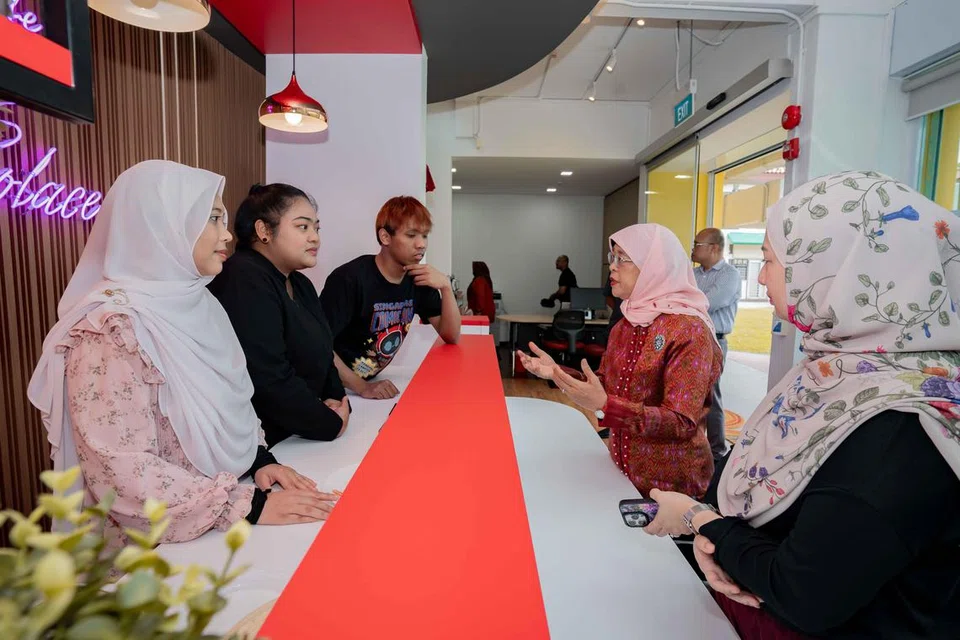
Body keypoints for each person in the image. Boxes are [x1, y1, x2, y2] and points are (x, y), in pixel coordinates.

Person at [644, 171, 960, 639]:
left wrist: (698, 520)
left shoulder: (902, 425)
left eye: (771, 261)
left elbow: (804, 591)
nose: (764, 277)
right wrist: (717, 547)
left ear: (838, 272)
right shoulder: (838, 371)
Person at [27, 161, 338, 551]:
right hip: (154, 554)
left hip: (219, 530)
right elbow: (119, 468)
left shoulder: (201, 304)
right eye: (212, 218)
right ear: (160, 226)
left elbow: (233, 401)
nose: (226, 234)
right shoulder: (110, 329)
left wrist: (258, 461)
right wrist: (244, 506)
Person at [520, 224, 722, 497]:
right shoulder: (626, 324)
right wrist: (557, 372)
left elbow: (681, 422)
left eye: (622, 259)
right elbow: (604, 384)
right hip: (622, 474)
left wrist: (606, 405)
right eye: (611, 257)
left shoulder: (688, 329)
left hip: (672, 490)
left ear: (654, 267)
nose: (612, 267)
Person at [209, 184, 349, 448]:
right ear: (264, 231)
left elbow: (324, 351)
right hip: (259, 443)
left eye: (317, 228)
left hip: (301, 431)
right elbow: (267, 378)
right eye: (303, 227)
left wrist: (335, 398)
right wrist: (330, 423)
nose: (315, 238)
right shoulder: (243, 277)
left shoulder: (301, 283)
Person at [321, 196, 461, 400]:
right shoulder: (350, 279)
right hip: (329, 386)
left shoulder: (418, 280)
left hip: (364, 388)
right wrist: (362, 387)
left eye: (424, 235)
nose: (421, 244)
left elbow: (451, 335)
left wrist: (446, 288)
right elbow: (318, 344)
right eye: (411, 235)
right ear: (385, 237)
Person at [692, 227, 742, 464]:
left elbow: (710, 302)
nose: (693, 248)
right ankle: (694, 445)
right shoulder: (694, 274)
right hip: (691, 339)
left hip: (714, 340)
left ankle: (717, 451)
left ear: (714, 248)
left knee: (711, 397)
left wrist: (689, 298)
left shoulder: (729, 275)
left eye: (697, 244)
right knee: (690, 395)